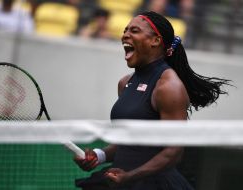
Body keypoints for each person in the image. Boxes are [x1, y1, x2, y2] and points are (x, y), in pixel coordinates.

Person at [74, 11, 230, 190]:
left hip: (153, 184)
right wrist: (99, 155)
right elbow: (128, 141)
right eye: (125, 30)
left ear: (155, 40)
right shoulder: (125, 83)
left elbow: (173, 153)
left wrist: (130, 177)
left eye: (134, 30)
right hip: (120, 178)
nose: (125, 35)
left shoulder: (168, 87)